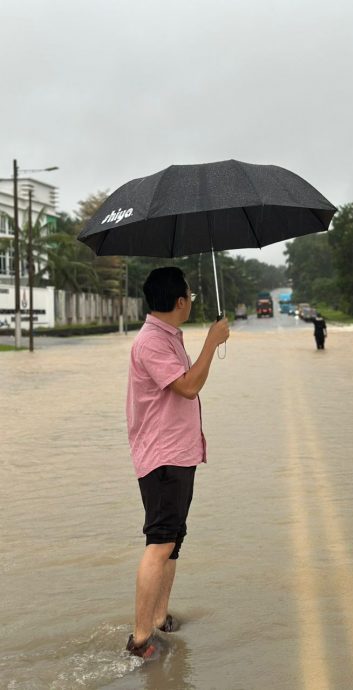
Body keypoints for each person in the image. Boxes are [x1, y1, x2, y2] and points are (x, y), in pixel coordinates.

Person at [125, 266, 229, 659]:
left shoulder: (166, 337)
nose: (191, 301)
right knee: (160, 541)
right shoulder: (152, 342)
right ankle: (139, 640)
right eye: (190, 295)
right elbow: (187, 387)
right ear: (180, 301)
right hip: (163, 456)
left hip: (177, 453)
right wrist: (211, 344)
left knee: (172, 542)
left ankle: (159, 619)